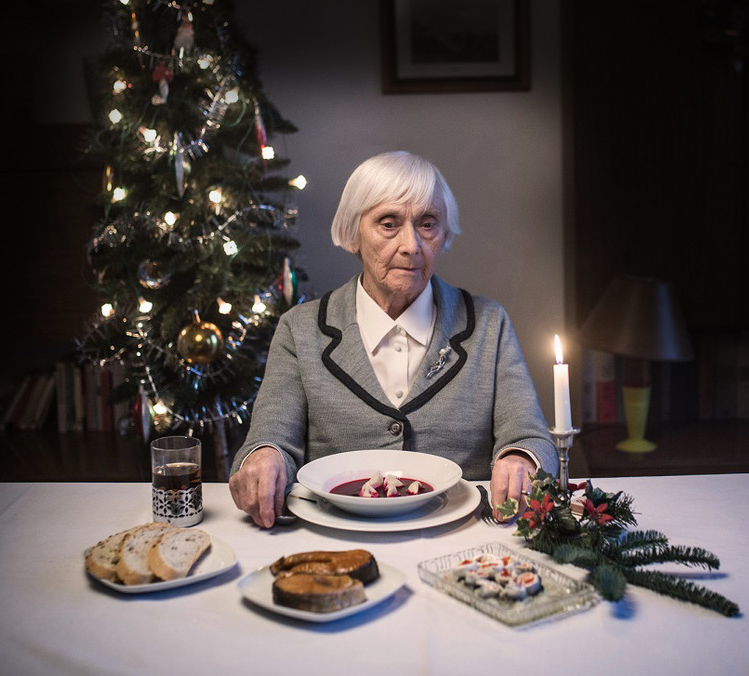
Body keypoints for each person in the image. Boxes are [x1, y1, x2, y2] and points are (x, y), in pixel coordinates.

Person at [228, 151, 558, 528]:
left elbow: (532, 439)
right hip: (335, 538)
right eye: (388, 223)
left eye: (428, 224)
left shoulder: (488, 323)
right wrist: (264, 457)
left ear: (444, 234)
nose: (411, 245)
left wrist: (521, 458)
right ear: (354, 235)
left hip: (463, 536)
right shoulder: (299, 329)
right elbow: (270, 439)